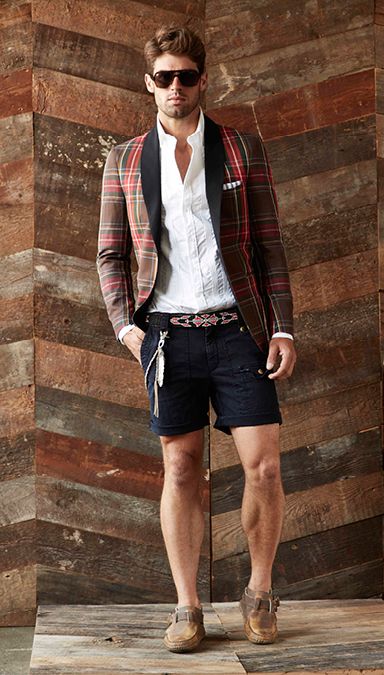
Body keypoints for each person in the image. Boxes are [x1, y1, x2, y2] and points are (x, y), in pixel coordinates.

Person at [96, 25, 296, 653]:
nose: (175, 87)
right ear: (149, 83)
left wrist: (282, 326)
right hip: (166, 335)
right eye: (165, 77)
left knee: (264, 466)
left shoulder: (240, 149)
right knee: (181, 469)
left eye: (186, 76)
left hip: (239, 331)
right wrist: (127, 327)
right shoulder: (125, 160)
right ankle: (187, 608)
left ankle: (259, 592)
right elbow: (110, 254)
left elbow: (269, 245)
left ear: (203, 80)